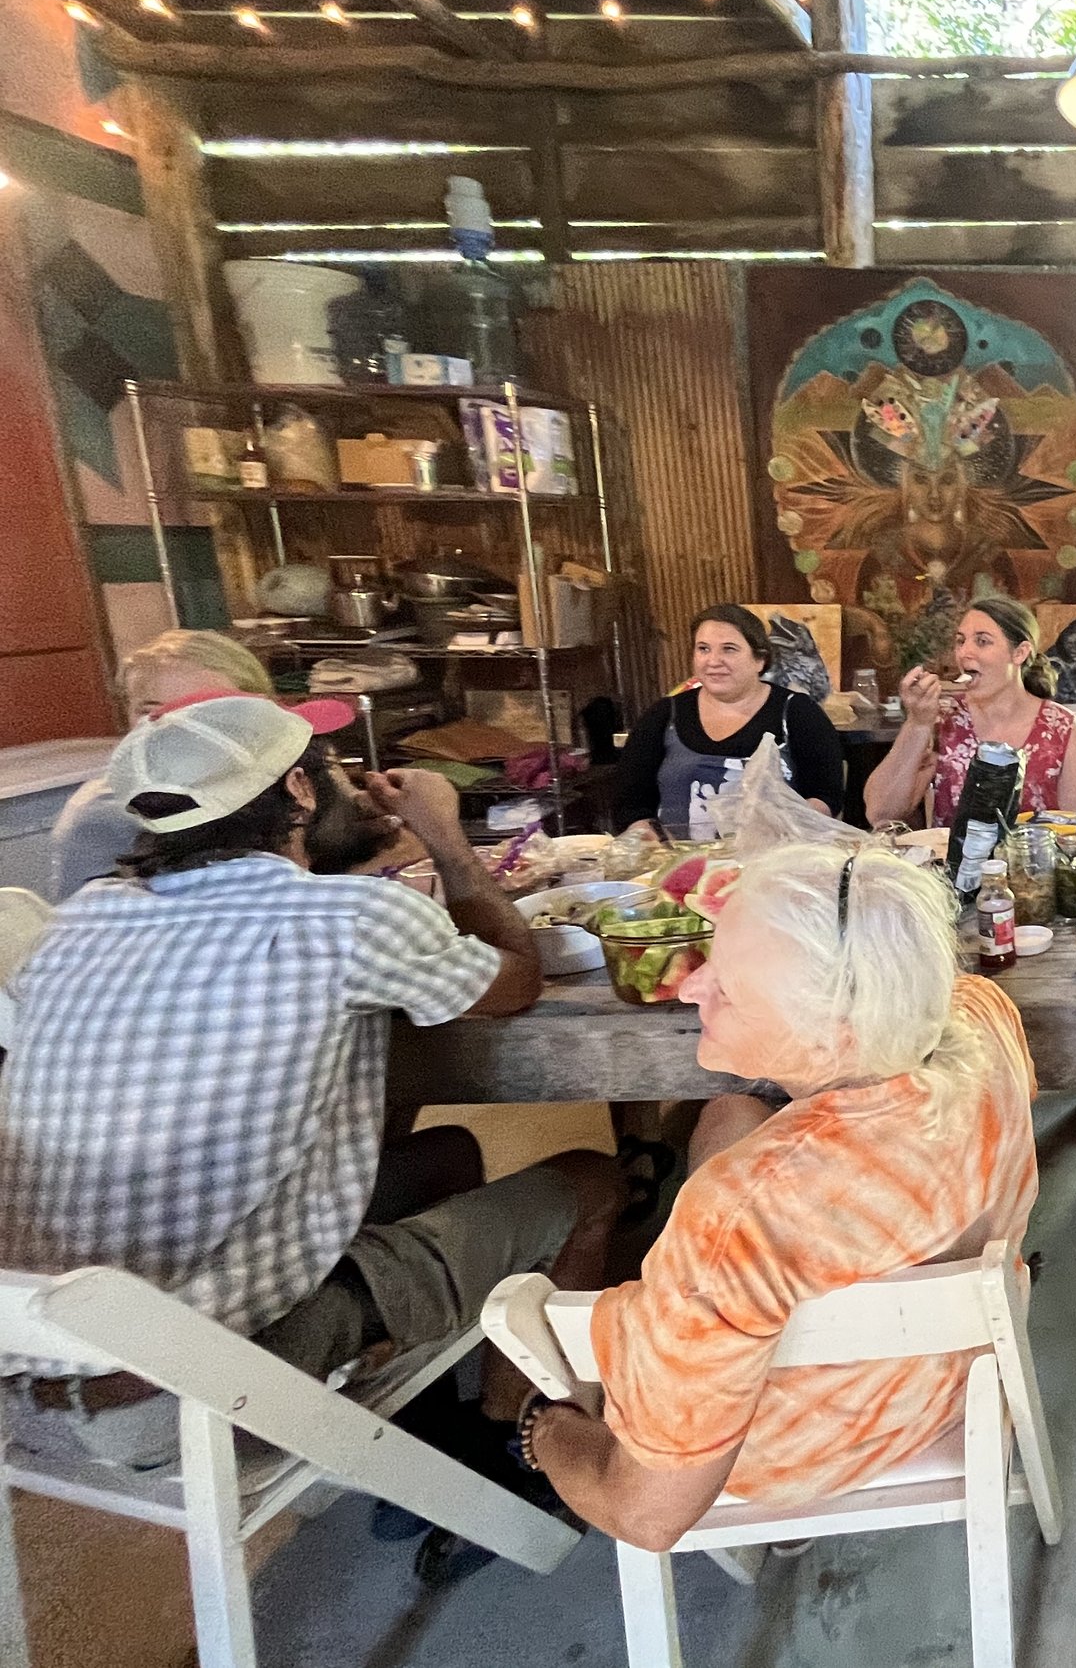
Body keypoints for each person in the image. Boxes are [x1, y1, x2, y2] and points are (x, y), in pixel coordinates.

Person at [0, 694, 623, 1472]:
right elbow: (518, 980)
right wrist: (445, 836)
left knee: (448, 1156)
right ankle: (516, 1442)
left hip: (33, 1378)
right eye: (330, 768)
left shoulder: (83, 918)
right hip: (196, 1395)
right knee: (595, 1180)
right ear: (299, 792)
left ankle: (414, 1400)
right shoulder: (349, 918)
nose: (354, 779)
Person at [514, 845, 1040, 1548]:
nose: (691, 987)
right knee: (730, 1114)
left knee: (717, 1168)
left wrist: (545, 1428)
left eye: (729, 985)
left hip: (796, 1455)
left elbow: (645, 1513)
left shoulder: (736, 1221)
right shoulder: (982, 1014)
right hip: (961, 1383)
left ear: (836, 1032)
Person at [49, 629, 276, 897]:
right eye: (151, 711)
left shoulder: (288, 780)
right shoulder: (106, 811)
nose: (177, 725)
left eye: (204, 708)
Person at [860, 595, 1076, 829]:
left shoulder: (1063, 729)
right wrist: (917, 722)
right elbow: (880, 812)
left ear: (1019, 653)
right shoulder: (942, 721)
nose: (965, 652)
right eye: (960, 640)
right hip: (951, 871)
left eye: (982, 641)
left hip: (1037, 871)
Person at [614, 606, 846, 839]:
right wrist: (643, 834)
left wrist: (785, 829)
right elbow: (630, 803)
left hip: (772, 862)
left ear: (760, 660)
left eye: (729, 649)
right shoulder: (664, 714)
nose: (713, 661)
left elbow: (827, 796)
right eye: (703, 649)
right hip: (671, 861)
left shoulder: (798, 712)